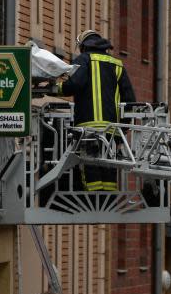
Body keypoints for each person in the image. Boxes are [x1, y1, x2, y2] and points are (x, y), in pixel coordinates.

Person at [56, 29, 136, 191]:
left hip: (88, 127)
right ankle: (107, 201)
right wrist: (124, 127)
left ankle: (92, 201)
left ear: (84, 46)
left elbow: (74, 85)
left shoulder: (84, 59)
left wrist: (56, 88)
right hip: (112, 129)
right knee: (108, 166)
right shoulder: (117, 64)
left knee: (90, 165)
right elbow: (130, 100)